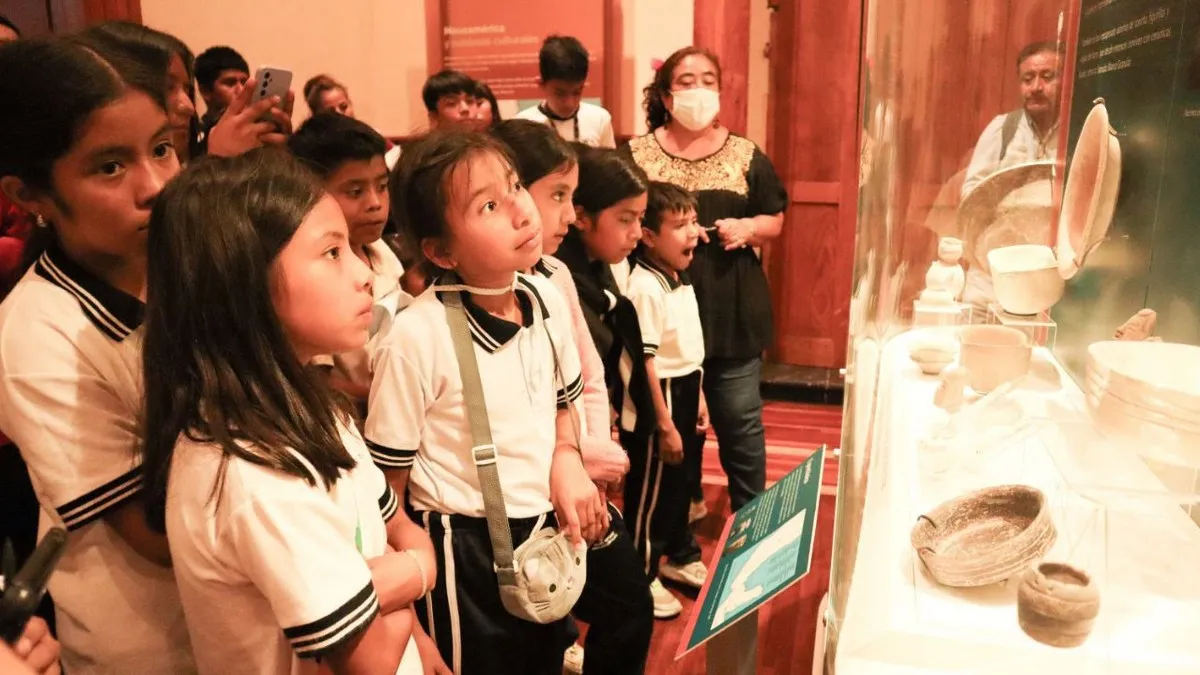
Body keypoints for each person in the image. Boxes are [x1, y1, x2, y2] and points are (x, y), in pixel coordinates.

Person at [140, 149, 440, 675]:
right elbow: (368, 656)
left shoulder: (317, 407)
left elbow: (397, 527)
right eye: (331, 253)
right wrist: (417, 572)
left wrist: (396, 600)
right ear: (243, 281)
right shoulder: (252, 470)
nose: (363, 275)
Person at [366, 131, 653, 674]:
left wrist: (566, 459)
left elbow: (561, 405)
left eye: (516, 186)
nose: (522, 211)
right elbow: (387, 492)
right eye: (490, 205)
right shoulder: (417, 336)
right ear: (440, 250)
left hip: (541, 526)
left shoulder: (541, 294)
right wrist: (410, 625)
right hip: (462, 550)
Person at [0, 36, 195, 673]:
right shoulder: (35, 334)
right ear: (29, 196)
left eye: (162, 148)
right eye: (110, 166)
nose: (156, 185)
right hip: (152, 646)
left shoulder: (193, 260)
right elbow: (155, 537)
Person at [625, 46, 787, 515]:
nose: (699, 90)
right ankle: (679, 515)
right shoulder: (637, 153)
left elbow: (775, 217)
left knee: (739, 417)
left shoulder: (745, 153)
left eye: (708, 80)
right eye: (687, 81)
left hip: (731, 303)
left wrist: (751, 228)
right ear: (667, 95)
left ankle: (750, 512)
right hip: (665, 309)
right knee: (677, 419)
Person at [490, 120, 629, 488]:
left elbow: (589, 376)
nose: (570, 215)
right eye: (557, 195)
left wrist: (594, 453)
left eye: (572, 196)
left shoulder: (555, 274)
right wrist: (579, 455)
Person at [622, 181, 710, 617]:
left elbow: (688, 348)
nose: (692, 232)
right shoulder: (645, 287)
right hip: (663, 401)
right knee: (651, 495)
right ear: (649, 235)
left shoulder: (678, 277)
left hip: (686, 389)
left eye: (693, 221)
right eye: (679, 225)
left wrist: (699, 397)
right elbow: (648, 363)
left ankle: (678, 555)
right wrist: (665, 423)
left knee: (682, 486)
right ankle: (641, 576)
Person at [289, 112, 410, 403]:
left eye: (382, 186)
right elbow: (318, 380)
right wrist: (392, 400)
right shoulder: (312, 275)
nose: (375, 203)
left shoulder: (384, 252)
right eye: (355, 192)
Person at [961, 41, 1063, 198]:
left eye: (1047, 77)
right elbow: (971, 194)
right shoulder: (1002, 128)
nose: (1036, 87)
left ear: (1068, 80)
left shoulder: (1082, 132)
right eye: (1027, 79)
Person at [516, 35, 616, 148]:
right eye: (560, 94)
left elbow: (608, 164)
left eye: (577, 92)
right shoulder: (523, 124)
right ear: (541, 84)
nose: (570, 103)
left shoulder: (600, 118)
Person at [194, 45, 250, 142]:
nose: (241, 90)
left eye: (244, 82)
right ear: (205, 92)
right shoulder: (196, 138)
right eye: (230, 83)